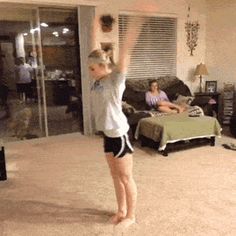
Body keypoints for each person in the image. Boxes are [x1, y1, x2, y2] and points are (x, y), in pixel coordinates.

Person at [89, 14, 149, 229]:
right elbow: (95, 53)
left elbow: (125, 52)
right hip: (107, 136)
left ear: (104, 67)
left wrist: (135, 24)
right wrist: (94, 26)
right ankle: (121, 210)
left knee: (125, 177)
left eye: (92, 68)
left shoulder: (115, 81)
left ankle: (131, 216)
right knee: (115, 176)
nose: (90, 71)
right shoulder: (97, 80)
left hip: (120, 135)